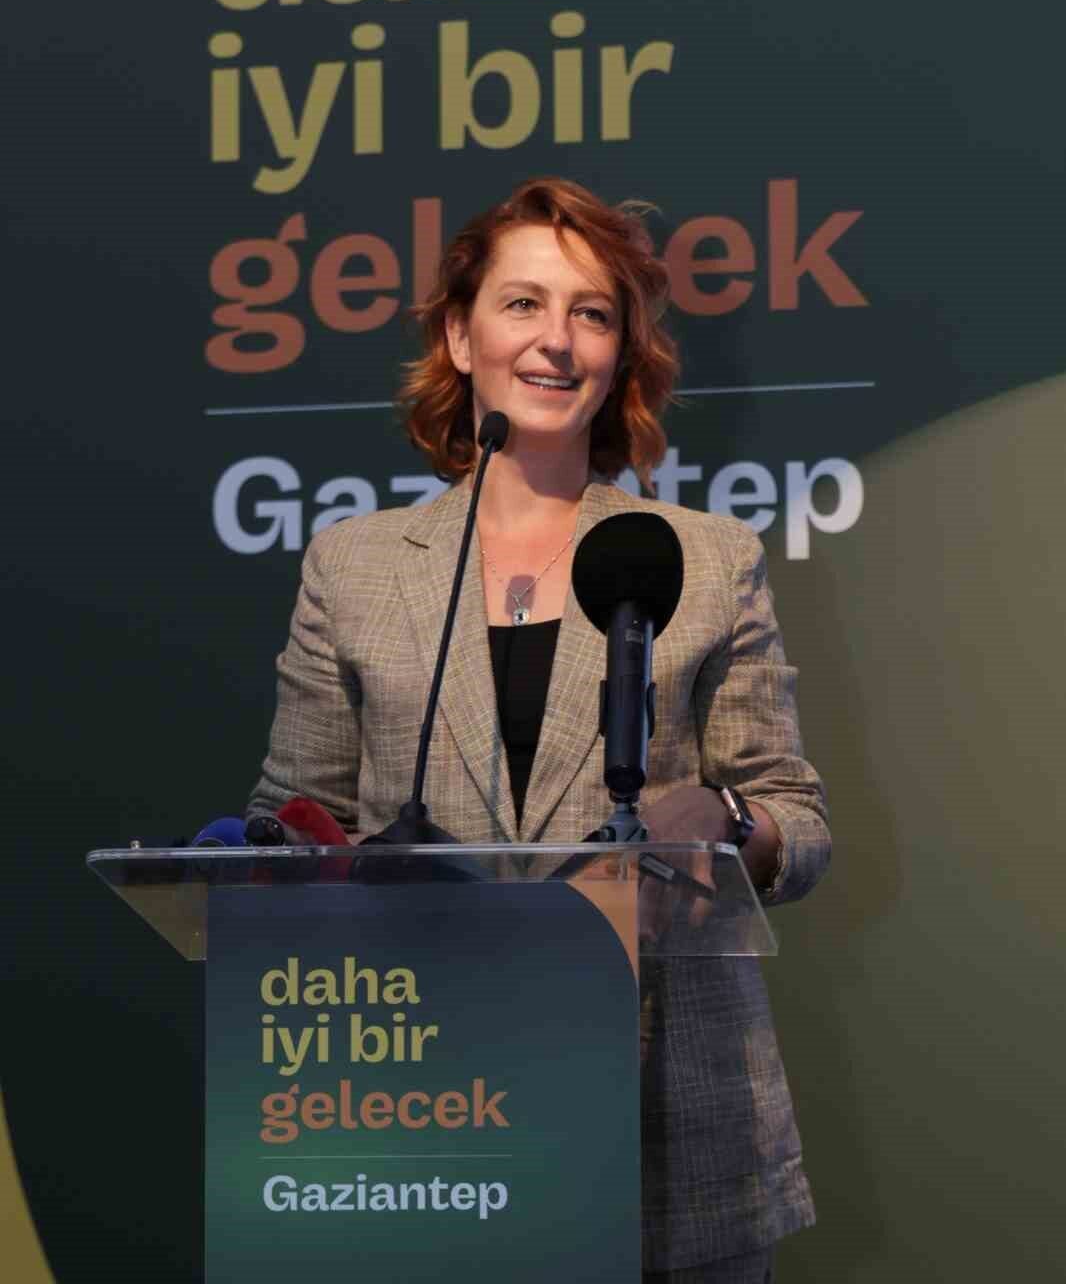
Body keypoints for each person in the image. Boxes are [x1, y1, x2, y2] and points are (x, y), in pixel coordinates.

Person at [248, 176, 830, 1284]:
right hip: (432, 1116)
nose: (556, 340)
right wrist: (286, 859)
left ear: (619, 351)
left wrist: (726, 816)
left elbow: (797, 826)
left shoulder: (708, 560)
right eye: (522, 304)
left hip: (669, 1140)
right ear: (460, 337)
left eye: (591, 312)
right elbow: (290, 822)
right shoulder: (353, 568)